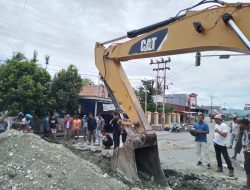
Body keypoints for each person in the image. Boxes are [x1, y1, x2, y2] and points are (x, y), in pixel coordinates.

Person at [242, 119, 250, 188]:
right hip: (247, 151)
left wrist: (247, 150)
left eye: (244, 126)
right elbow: (244, 140)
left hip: (249, 151)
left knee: (247, 167)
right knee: (247, 167)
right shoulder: (245, 131)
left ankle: (248, 184)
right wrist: (244, 148)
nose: (243, 127)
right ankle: (248, 182)